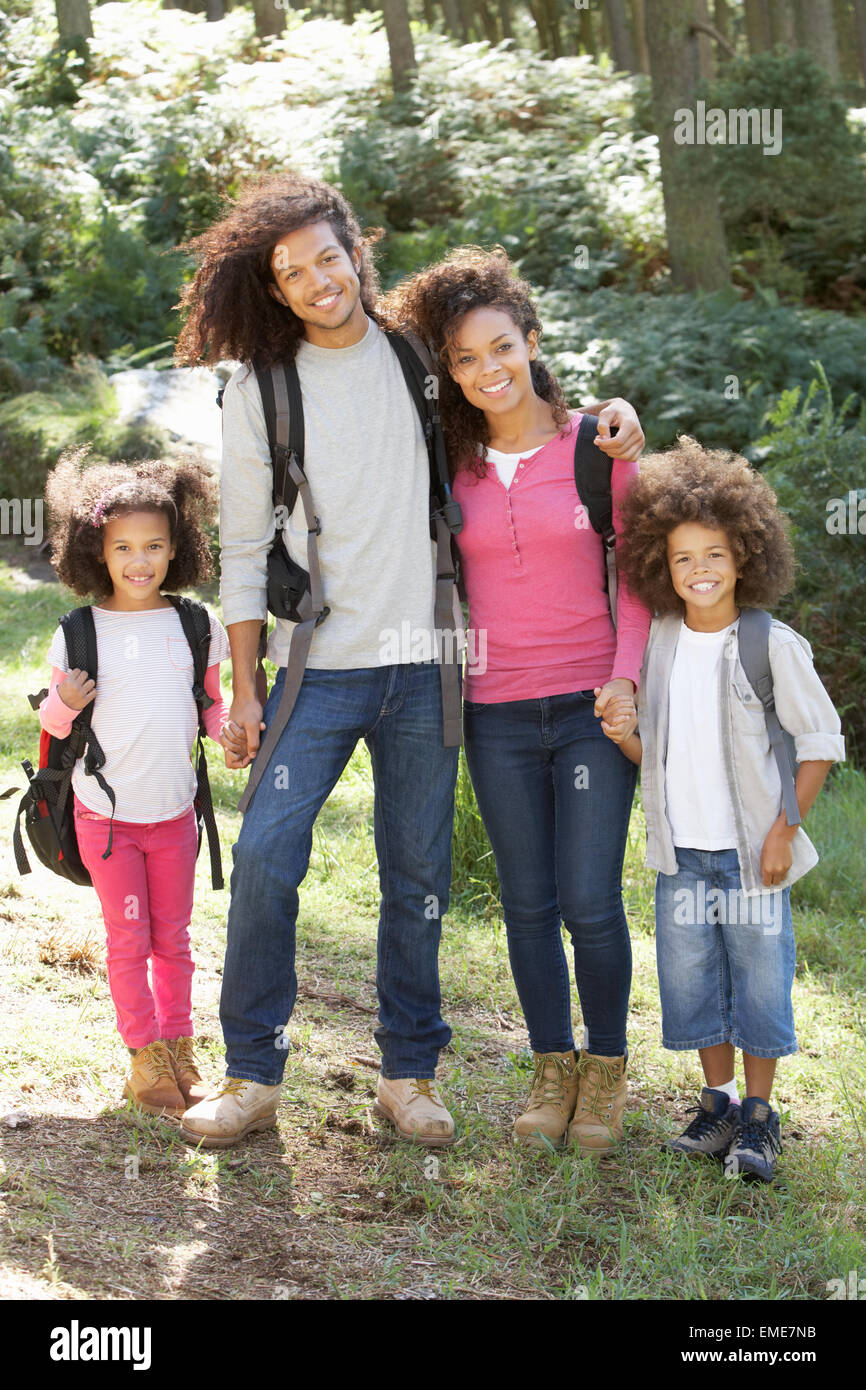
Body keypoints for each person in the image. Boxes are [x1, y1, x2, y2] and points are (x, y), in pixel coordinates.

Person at [173, 174, 647, 1150]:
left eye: (325, 256)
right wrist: (244, 682)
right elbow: (244, 543)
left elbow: (516, 406)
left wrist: (617, 416)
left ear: (355, 250)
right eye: (290, 270)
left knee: (416, 870)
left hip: (431, 665)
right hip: (317, 667)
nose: (315, 280)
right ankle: (251, 1071)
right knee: (265, 854)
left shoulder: (411, 360)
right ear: (272, 286)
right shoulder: (261, 389)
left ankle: (407, 1070)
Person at [382, 247, 651, 1154]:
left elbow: (645, 577)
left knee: (589, 900)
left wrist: (628, 679)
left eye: (500, 347)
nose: (486, 370)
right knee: (528, 905)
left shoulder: (597, 447)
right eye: (463, 358)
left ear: (531, 342)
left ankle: (605, 1074)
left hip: (589, 707)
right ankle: (550, 1068)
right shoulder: (447, 464)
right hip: (493, 711)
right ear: (449, 373)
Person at [602, 437, 845, 1182]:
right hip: (682, 857)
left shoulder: (769, 643)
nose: (698, 570)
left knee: (761, 982)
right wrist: (626, 736)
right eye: (681, 559)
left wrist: (785, 827)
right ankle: (717, 1106)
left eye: (713, 555)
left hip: (752, 856)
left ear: (744, 556)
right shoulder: (663, 645)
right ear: (660, 568)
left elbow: (820, 742)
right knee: (693, 982)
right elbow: (659, 759)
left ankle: (761, 1120)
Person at [41, 450, 231, 1116]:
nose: (139, 560)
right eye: (124, 547)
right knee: (129, 938)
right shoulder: (79, 631)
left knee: (174, 939)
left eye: (154, 545)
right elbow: (51, 718)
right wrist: (64, 700)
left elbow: (209, 702)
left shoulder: (194, 624)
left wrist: (230, 725)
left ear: (178, 548)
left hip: (175, 815)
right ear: (99, 550)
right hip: (107, 819)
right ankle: (143, 1058)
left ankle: (180, 1049)